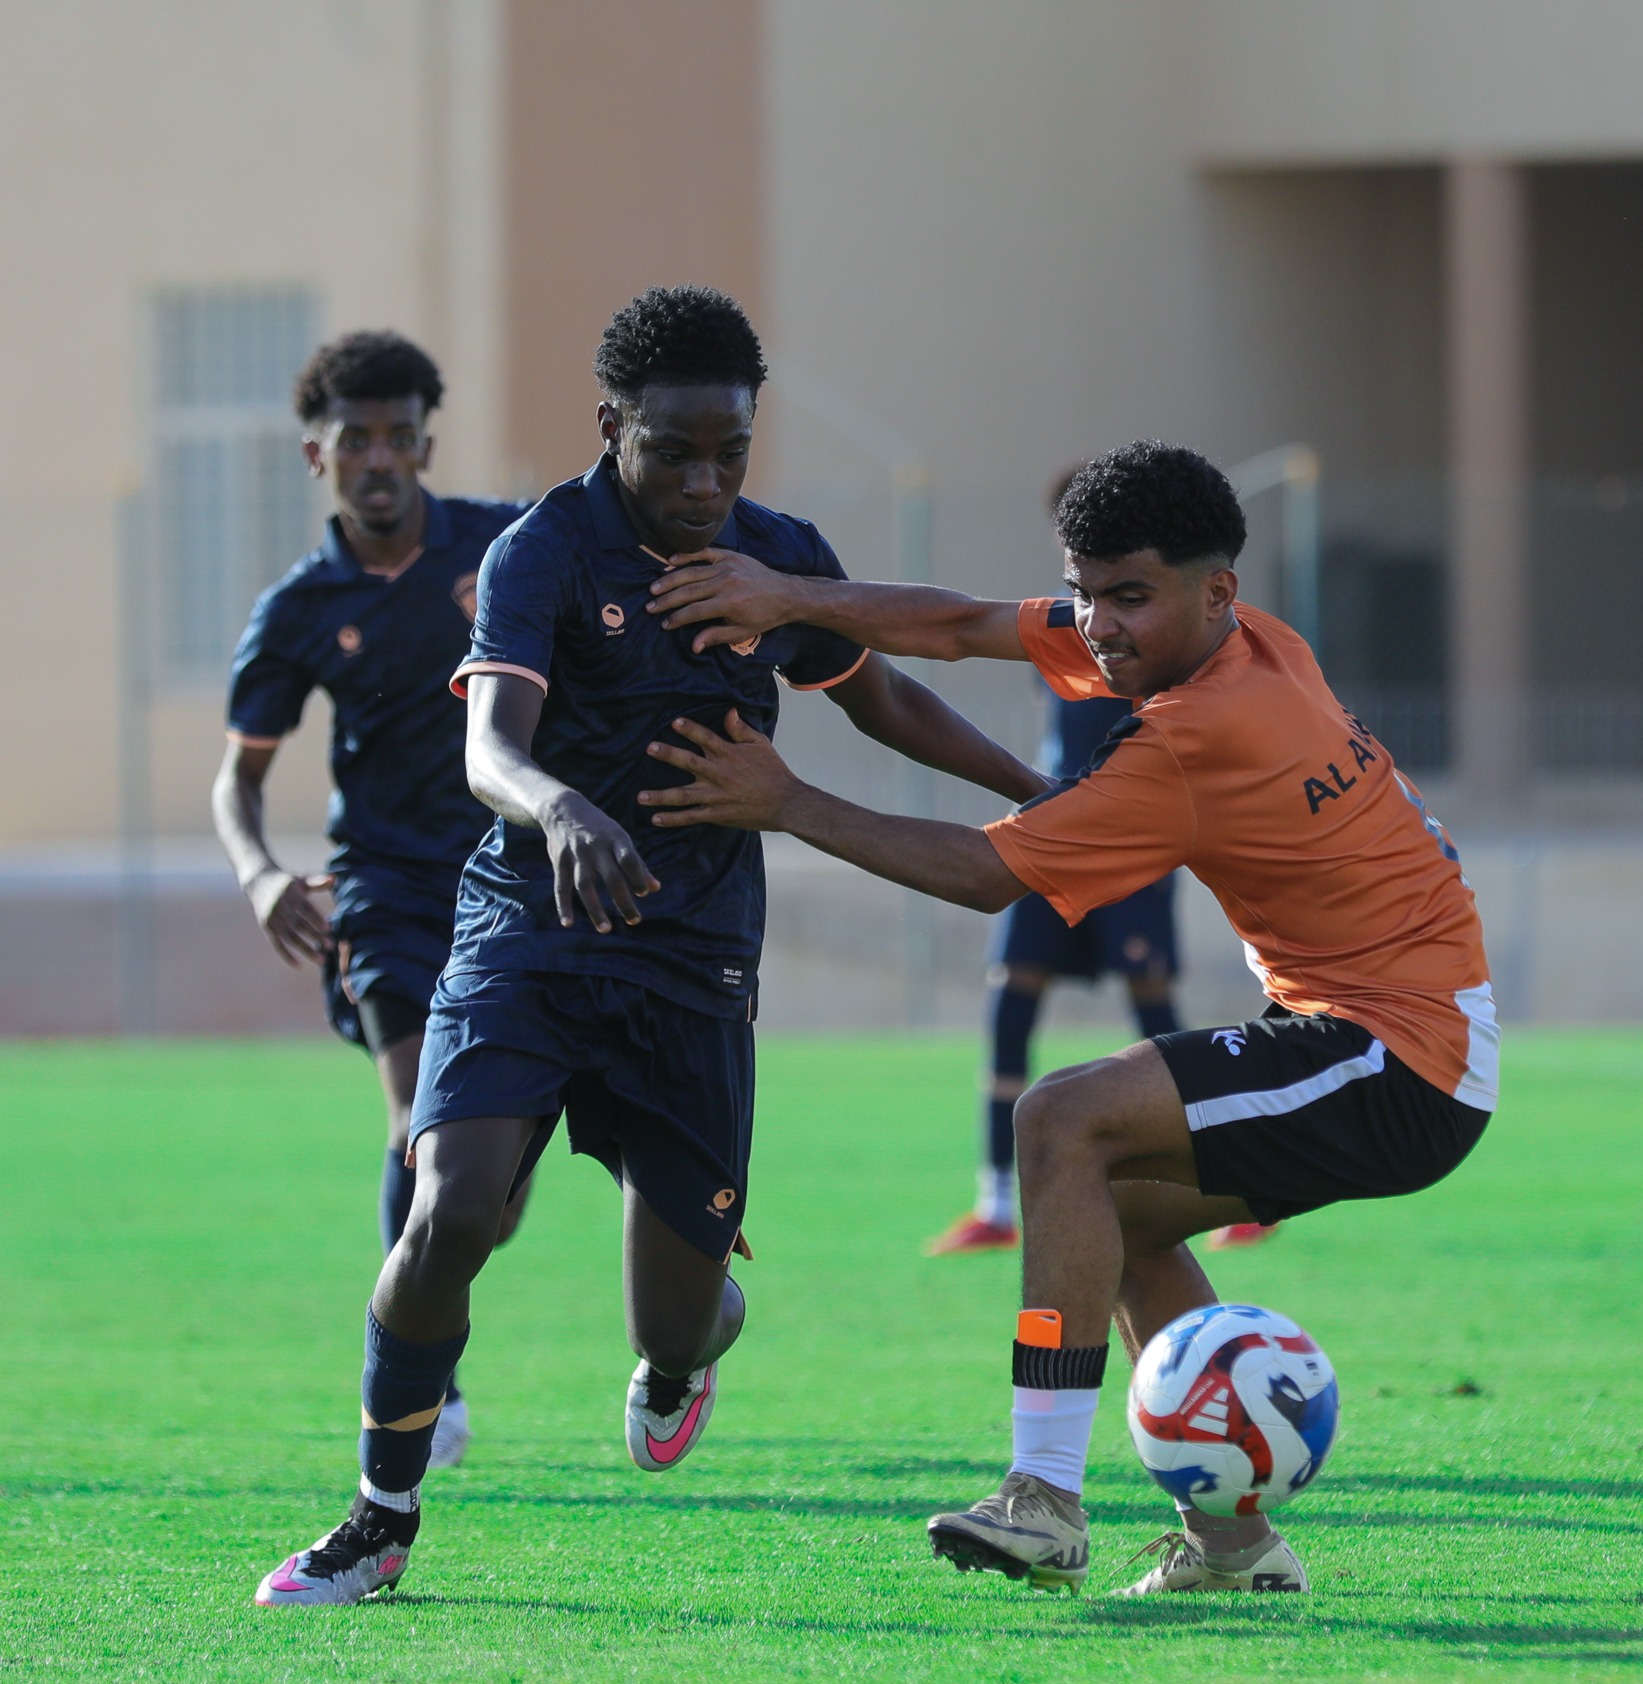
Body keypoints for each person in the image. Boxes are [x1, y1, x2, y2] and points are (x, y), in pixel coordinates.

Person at [253, 285, 1048, 1608]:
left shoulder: (775, 559)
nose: (702, 481)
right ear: (610, 425)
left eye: (729, 452)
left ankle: (683, 1357)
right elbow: (490, 748)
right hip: (528, 933)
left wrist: (1037, 789)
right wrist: (561, 807)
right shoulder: (544, 550)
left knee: (672, 1319)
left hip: (692, 961)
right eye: (672, 450)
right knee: (452, 1204)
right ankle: (379, 1517)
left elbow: (886, 700)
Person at [635, 439, 1496, 1597]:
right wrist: (788, 594)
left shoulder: (1198, 731)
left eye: (1127, 596)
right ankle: (1234, 1549)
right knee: (1106, 1210)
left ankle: (1041, 1498)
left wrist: (785, 800)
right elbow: (960, 624)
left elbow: (983, 875)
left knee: (1060, 1115)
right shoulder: (1256, 639)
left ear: (1215, 591)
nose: (1098, 624)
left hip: (1400, 1054)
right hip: (1392, 1034)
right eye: (1082, 591)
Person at [214, 330, 529, 1472]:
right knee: (420, 1122)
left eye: (400, 436)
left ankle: (444, 1300)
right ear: (319, 454)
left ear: (427, 446)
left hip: (512, 882)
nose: (380, 457)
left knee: (493, 1196)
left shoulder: (505, 545)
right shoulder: (300, 608)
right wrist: (260, 873)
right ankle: (425, 1385)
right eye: (357, 440)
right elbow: (238, 779)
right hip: (384, 891)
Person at [929, 673, 1181, 1256]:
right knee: (1012, 992)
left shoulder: (1150, 637)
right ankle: (995, 1204)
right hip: (1051, 823)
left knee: (1152, 1000)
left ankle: (1233, 1186)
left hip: (1130, 834)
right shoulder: (1058, 634)